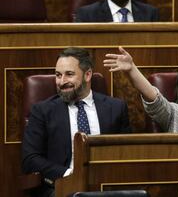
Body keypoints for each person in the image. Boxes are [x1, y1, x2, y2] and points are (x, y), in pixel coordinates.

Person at [21, 47, 131, 197]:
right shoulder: (43, 111)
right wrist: (70, 175)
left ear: (87, 75)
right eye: (58, 75)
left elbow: (126, 154)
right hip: (62, 187)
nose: (62, 82)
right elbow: (30, 159)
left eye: (69, 74)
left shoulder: (116, 108)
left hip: (106, 187)